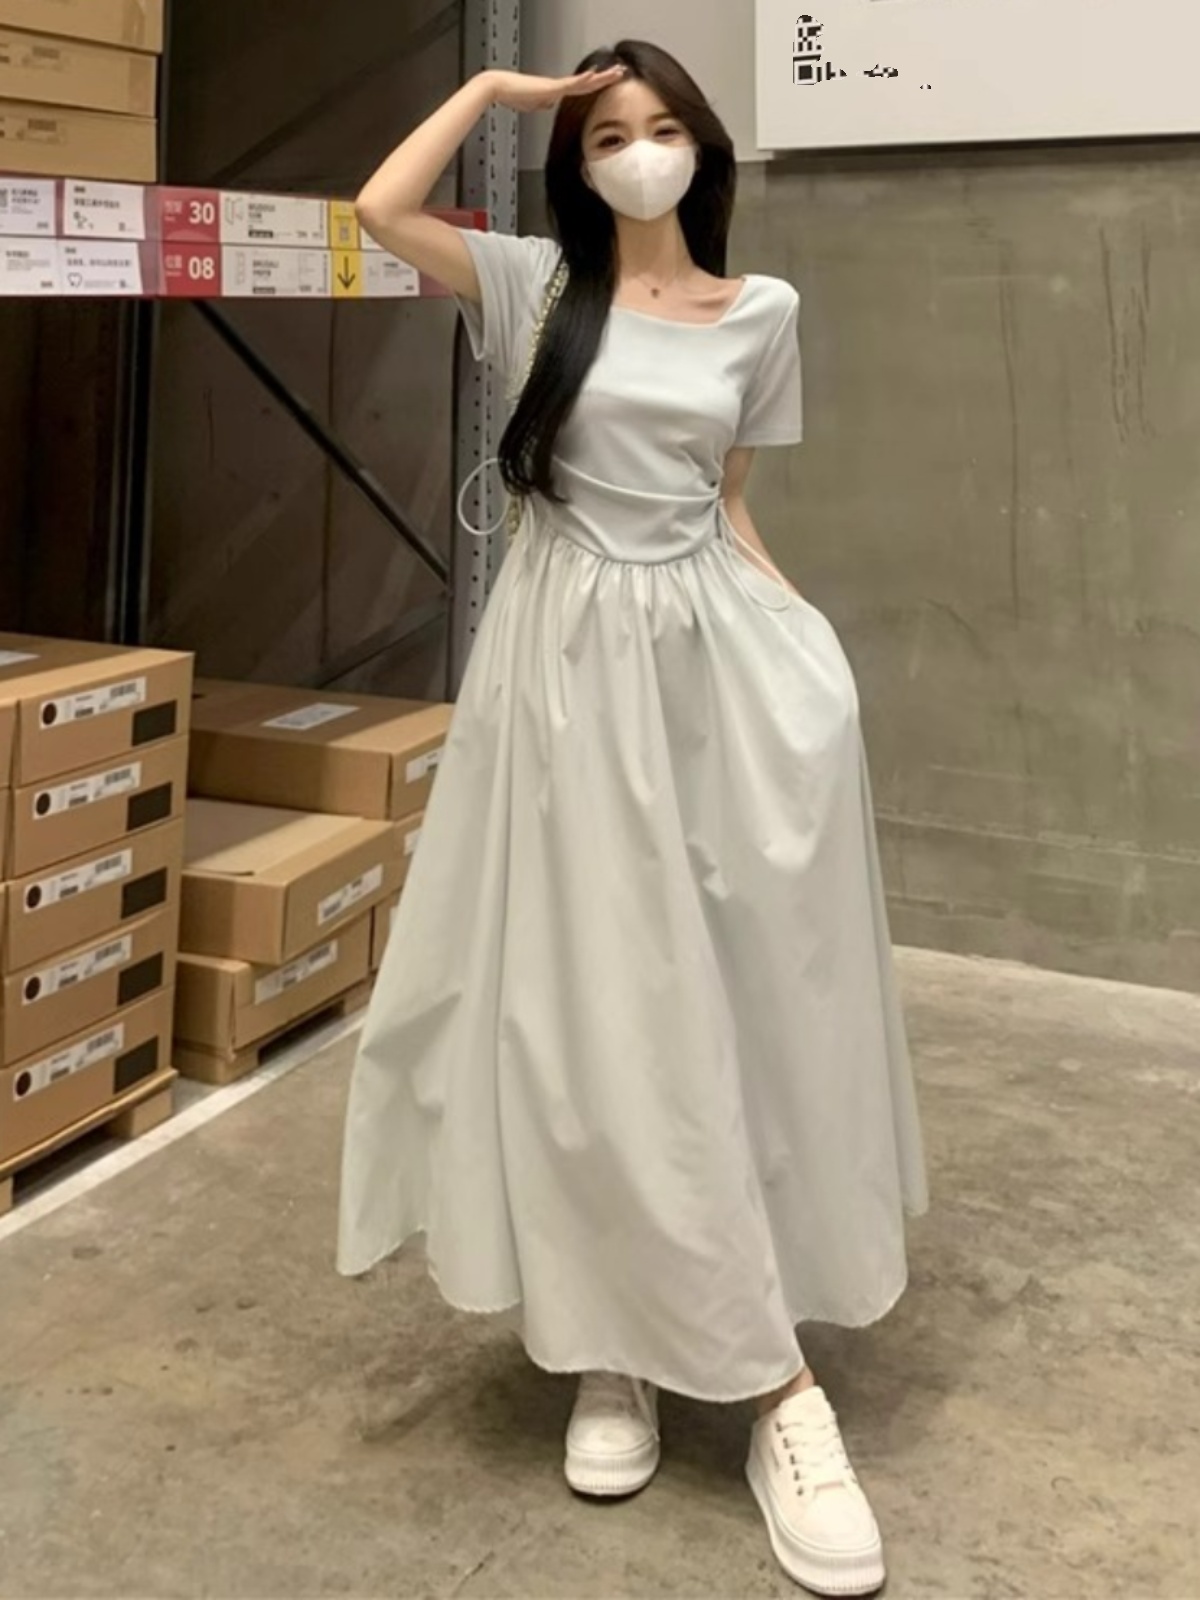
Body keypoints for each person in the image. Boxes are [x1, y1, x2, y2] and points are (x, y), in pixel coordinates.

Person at [337, 38, 929, 1599]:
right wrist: (497, 96)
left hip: (716, 667)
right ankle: (618, 1341)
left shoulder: (763, 311)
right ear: (579, 162)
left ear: (704, 151)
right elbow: (378, 210)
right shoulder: (534, 287)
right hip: (563, 676)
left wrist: (813, 661)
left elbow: (729, 508)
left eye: (664, 129)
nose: (641, 153)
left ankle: (752, 1366)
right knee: (592, 1003)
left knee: (738, 988)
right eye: (611, 134)